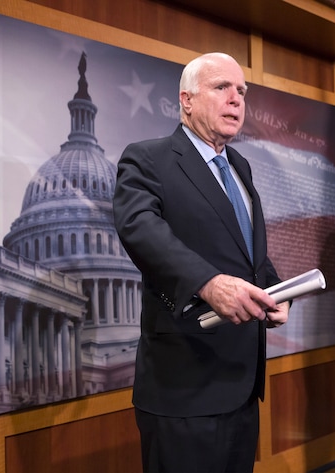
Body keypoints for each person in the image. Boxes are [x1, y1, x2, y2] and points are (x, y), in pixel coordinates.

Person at [112, 52, 289, 473]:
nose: (236, 99)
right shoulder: (147, 158)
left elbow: (249, 255)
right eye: (222, 88)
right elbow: (140, 229)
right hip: (183, 386)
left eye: (242, 91)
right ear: (186, 100)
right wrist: (207, 283)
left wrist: (278, 292)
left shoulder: (240, 167)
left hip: (242, 385)